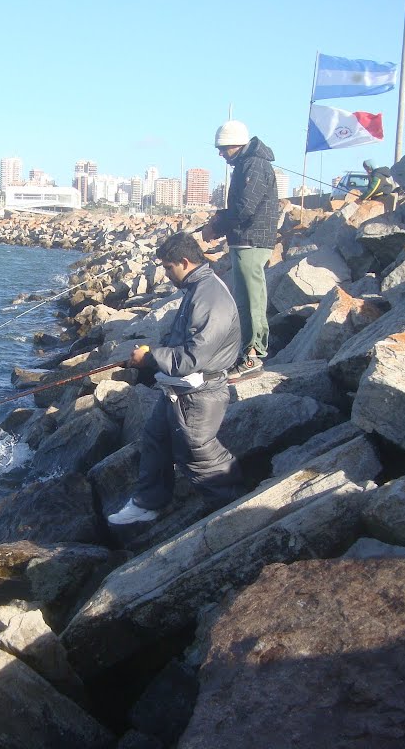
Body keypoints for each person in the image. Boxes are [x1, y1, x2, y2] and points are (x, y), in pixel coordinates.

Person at [107, 232, 242, 525]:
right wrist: (152, 355)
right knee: (156, 438)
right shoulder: (197, 288)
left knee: (198, 452)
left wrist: (151, 357)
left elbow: (194, 358)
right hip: (178, 389)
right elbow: (181, 342)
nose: (166, 274)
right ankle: (148, 503)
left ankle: (234, 508)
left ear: (184, 261)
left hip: (201, 392)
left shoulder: (210, 297)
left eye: (168, 268)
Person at [200, 119, 280, 381]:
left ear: (235, 145)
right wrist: (218, 221)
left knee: (251, 299)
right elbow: (241, 207)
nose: (220, 154)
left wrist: (217, 226)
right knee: (244, 300)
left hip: (252, 240)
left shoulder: (255, 165)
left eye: (222, 148)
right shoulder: (247, 164)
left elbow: (246, 208)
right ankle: (247, 351)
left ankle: (253, 355)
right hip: (244, 240)